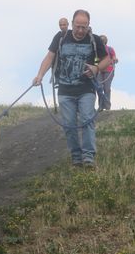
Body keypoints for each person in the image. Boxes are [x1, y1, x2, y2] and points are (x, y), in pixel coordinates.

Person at [33, 10, 111, 168]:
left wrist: (96, 69)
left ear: (89, 25)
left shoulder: (94, 40)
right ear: (72, 23)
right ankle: (76, 158)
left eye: (84, 27)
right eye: (78, 26)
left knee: (87, 120)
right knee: (69, 125)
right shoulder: (61, 37)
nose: (81, 30)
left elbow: (107, 60)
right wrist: (40, 75)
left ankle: (88, 157)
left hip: (86, 89)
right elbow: (50, 57)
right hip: (65, 90)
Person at [98, 34, 118, 111]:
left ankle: (107, 106)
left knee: (106, 88)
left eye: (103, 40)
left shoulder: (110, 49)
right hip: (99, 71)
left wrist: (115, 59)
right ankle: (100, 106)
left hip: (109, 70)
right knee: (99, 88)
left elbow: (114, 57)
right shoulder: (97, 50)